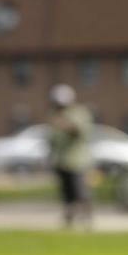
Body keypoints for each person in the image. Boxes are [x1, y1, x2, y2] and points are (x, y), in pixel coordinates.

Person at [47, 84, 93, 228]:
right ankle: (69, 220)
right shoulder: (54, 114)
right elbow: (52, 139)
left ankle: (87, 219)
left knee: (80, 192)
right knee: (66, 194)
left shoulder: (79, 112)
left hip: (77, 160)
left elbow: (79, 132)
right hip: (61, 161)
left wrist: (65, 125)